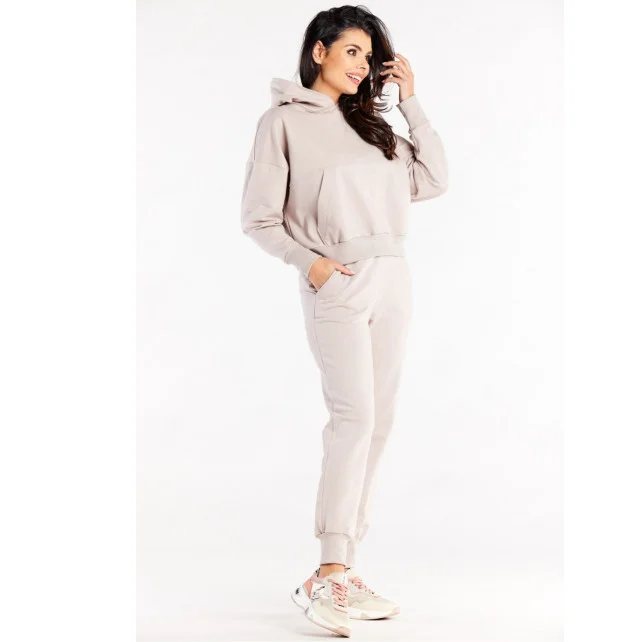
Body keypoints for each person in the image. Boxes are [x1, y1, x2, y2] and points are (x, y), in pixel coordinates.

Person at [240, 5, 448, 637]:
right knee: (353, 418)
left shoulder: (374, 128)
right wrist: (313, 265)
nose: (362, 65)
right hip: (338, 282)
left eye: (370, 56)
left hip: (394, 278)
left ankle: (344, 569)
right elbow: (258, 219)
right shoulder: (282, 123)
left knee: (378, 422)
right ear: (320, 50)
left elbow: (434, 180)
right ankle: (327, 570)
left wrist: (410, 103)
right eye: (352, 51)